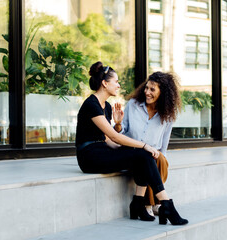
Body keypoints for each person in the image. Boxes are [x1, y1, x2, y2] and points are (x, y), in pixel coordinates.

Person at [75, 61, 188, 225]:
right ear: (105, 83)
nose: (119, 85)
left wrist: (130, 149)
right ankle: (166, 204)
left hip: (102, 151)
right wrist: (142, 145)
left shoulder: (105, 106)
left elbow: (108, 140)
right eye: (116, 82)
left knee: (141, 155)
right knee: (142, 151)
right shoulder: (91, 104)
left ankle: (139, 203)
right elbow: (114, 137)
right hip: (89, 157)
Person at [114, 71, 181, 217]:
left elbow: (164, 142)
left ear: (162, 93)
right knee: (148, 158)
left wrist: (161, 157)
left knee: (159, 159)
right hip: (132, 151)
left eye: (152, 89)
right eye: (146, 88)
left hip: (153, 153)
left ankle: (150, 204)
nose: (147, 92)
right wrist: (118, 124)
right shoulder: (134, 104)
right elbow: (120, 133)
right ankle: (154, 203)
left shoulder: (168, 114)